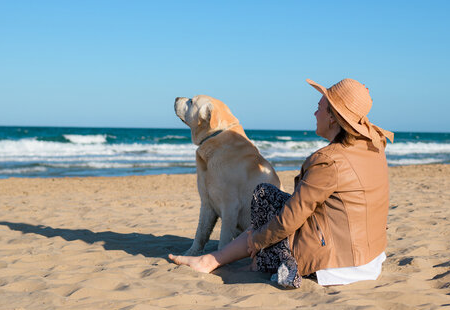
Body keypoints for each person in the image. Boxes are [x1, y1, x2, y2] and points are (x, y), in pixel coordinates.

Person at [169, 78, 394, 288]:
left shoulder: (329, 161)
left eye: (319, 107)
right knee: (273, 200)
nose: (314, 113)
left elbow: (291, 217)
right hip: (369, 257)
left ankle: (212, 261)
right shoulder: (373, 147)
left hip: (339, 265)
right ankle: (218, 258)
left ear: (333, 117)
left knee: (265, 199)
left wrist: (256, 241)